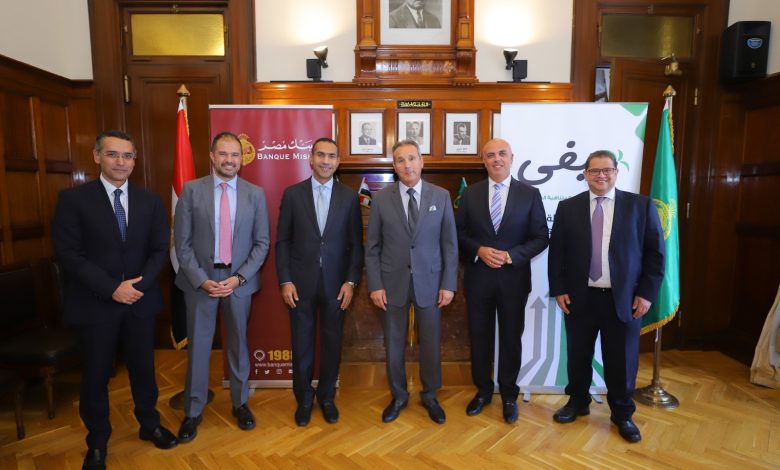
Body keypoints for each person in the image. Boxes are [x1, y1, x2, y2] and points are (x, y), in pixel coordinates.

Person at [53, 130, 177, 470]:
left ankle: (149, 424)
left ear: (135, 160)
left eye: (127, 155)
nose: (120, 162)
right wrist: (112, 288)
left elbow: (159, 250)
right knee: (95, 376)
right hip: (95, 304)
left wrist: (137, 286)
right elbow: (69, 254)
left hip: (140, 301)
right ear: (97, 157)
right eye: (112, 154)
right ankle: (97, 441)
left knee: (144, 370)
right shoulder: (73, 200)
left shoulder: (150, 201)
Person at [548, 150, 664, 443]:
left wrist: (646, 294)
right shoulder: (568, 208)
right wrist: (559, 289)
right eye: (595, 171)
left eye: (607, 170)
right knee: (578, 356)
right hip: (580, 298)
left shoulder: (640, 206)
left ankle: (622, 413)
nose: (601, 175)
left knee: (622, 361)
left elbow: (655, 255)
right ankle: (578, 402)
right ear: (585, 174)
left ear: (616, 173)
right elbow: (557, 253)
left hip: (624, 299)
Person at [173, 131, 270, 443]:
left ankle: (240, 404)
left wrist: (239, 278)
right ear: (212, 157)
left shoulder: (255, 194)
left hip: (237, 281)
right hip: (200, 281)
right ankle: (193, 411)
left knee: (239, 344)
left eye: (235, 155)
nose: (229, 160)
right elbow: (182, 243)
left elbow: (262, 243)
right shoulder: (191, 190)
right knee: (199, 347)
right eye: (223, 154)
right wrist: (202, 279)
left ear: (241, 159)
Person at [455, 138, 549, 424]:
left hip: (513, 280)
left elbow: (541, 237)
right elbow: (458, 234)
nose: (497, 159)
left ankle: (509, 394)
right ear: (483, 161)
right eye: (490, 155)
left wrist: (510, 256)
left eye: (502, 154)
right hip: (479, 280)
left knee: (510, 339)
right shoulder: (470, 194)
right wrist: (479, 250)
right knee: (480, 338)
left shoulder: (530, 194)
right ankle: (483, 391)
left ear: (511, 157)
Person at [365, 139, 458, 425]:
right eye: (400, 160)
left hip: (431, 283)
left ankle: (430, 395)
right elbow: (372, 247)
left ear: (421, 161)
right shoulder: (381, 199)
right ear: (394, 166)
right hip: (392, 283)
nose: (407, 165)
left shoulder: (441, 196)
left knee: (431, 342)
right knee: (394, 343)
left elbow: (449, 245)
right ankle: (398, 395)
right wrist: (375, 285)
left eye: (412, 158)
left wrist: (449, 283)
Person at [276, 138, 364, 427]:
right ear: (311, 159)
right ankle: (303, 399)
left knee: (332, 342)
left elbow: (356, 245)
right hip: (299, 285)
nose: (326, 161)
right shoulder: (293, 194)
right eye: (321, 155)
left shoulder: (349, 197)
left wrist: (351, 282)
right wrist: (285, 280)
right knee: (301, 343)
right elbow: (283, 242)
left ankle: (326, 397)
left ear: (338, 162)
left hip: (336, 286)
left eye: (331, 156)